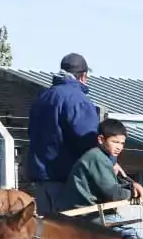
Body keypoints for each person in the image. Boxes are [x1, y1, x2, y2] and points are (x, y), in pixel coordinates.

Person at [27, 52, 101, 215]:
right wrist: (109, 162)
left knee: (48, 234)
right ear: (83, 76)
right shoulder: (78, 100)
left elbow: (31, 133)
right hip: (66, 182)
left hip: (41, 181)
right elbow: (89, 140)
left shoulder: (42, 98)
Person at [63, 118, 143, 239]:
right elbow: (113, 193)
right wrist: (138, 193)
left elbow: (116, 184)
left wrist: (135, 186)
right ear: (101, 139)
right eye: (115, 142)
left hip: (94, 213)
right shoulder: (97, 158)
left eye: (122, 143)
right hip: (90, 215)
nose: (119, 147)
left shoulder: (103, 158)